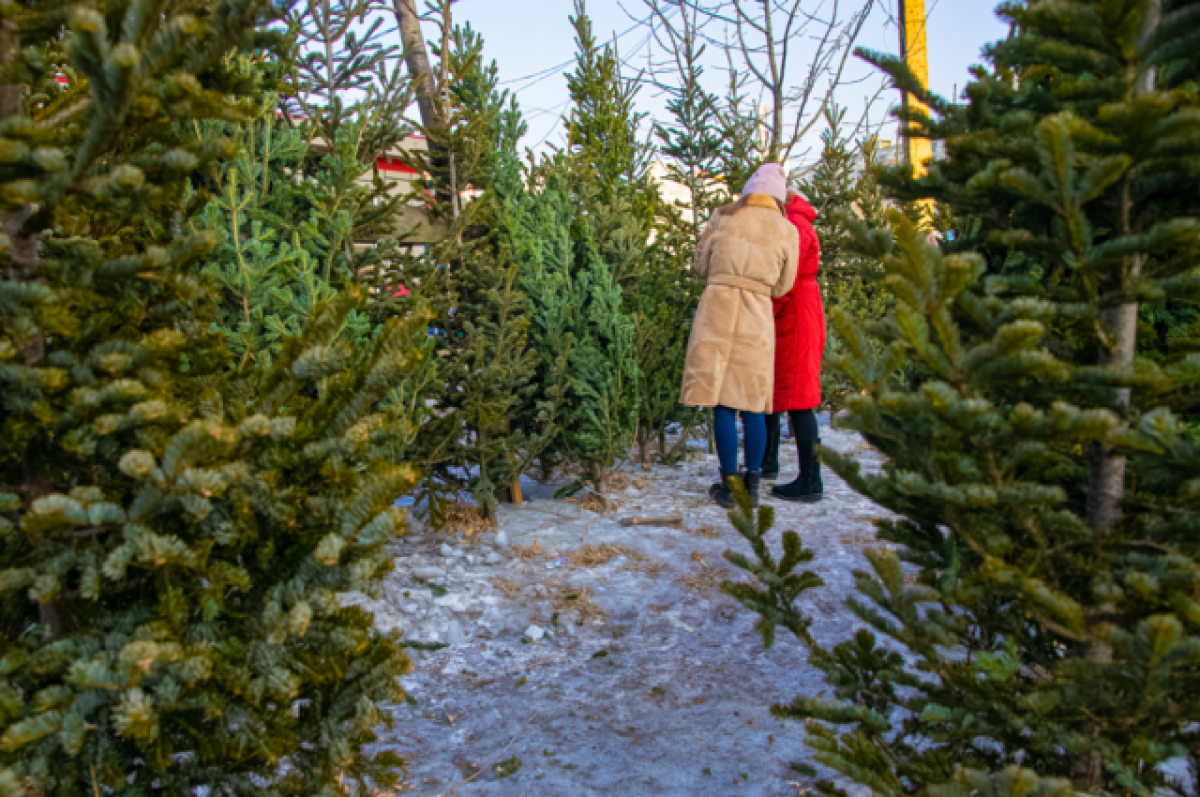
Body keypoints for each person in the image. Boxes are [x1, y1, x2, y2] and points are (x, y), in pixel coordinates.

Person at [679, 163, 799, 508]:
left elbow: (701, 265)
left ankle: (728, 485)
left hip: (716, 310)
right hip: (756, 315)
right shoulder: (785, 229)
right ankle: (754, 484)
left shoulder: (723, 215)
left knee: (722, 402)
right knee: (753, 405)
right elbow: (783, 285)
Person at [761, 189, 826, 503]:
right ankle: (768, 461)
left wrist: (764, 312)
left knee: (800, 399)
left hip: (796, 315)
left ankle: (811, 480)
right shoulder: (793, 220)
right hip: (794, 314)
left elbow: (787, 279)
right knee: (774, 391)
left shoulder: (796, 225)